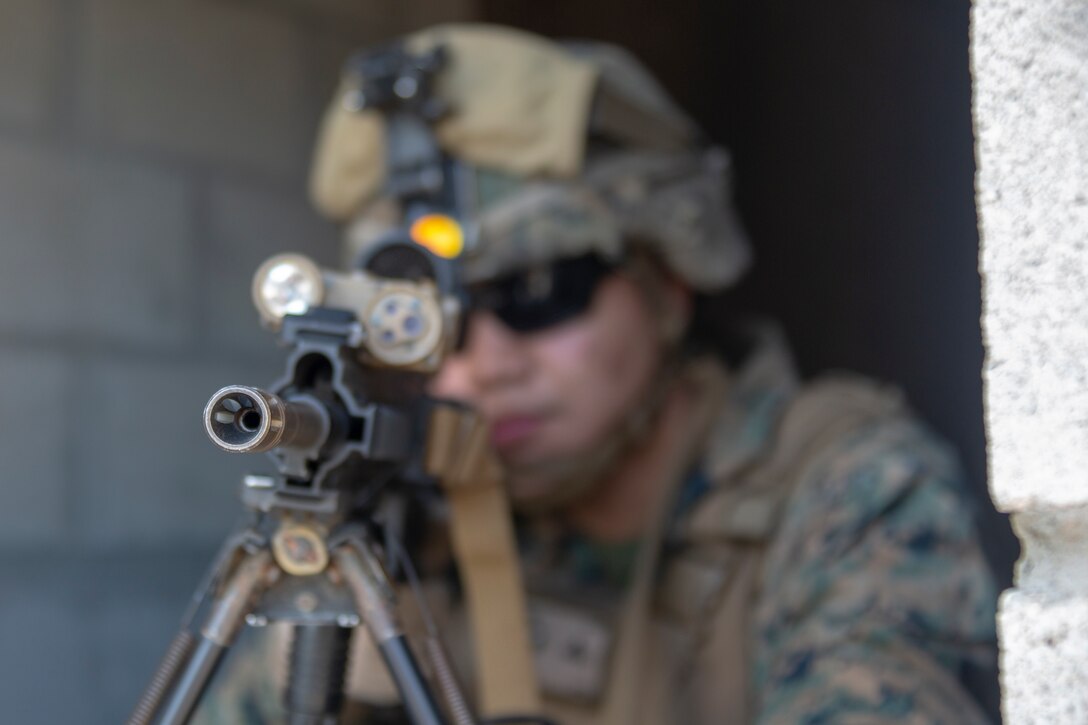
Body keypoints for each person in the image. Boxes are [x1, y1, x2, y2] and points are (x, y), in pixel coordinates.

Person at [197, 23, 997, 724]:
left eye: (540, 295)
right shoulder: (404, 519)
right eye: (431, 321)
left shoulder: (845, 488)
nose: (483, 365)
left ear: (666, 287)